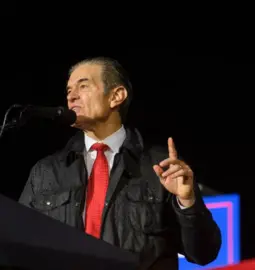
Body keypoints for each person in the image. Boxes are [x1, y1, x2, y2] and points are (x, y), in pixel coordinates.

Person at [18, 57, 222, 269]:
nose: (72, 97)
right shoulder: (46, 172)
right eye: (69, 91)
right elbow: (18, 244)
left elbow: (204, 253)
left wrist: (187, 202)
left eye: (83, 86)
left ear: (116, 96)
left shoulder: (161, 167)